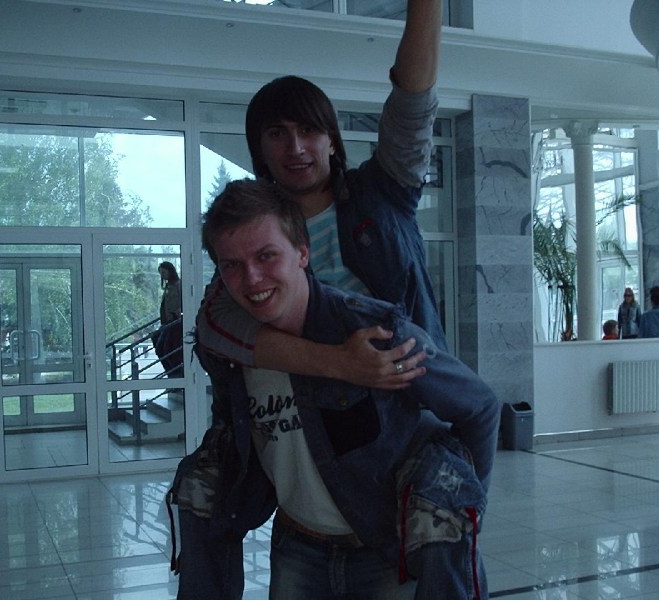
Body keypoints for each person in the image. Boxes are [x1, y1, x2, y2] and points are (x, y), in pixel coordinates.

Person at [173, 179, 498, 600]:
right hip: (297, 547)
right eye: (231, 265)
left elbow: (480, 406)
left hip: (383, 550)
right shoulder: (231, 353)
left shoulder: (376, 333)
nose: (251, 279)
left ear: (302, 252)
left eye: (266, 256)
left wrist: (468, 504)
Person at [196, 0, 445, 388]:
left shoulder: (383, 192)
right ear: (259, 149)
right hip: (313, 413)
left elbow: (412, 104)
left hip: (414, 397)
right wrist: (340, 363)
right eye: (277, 134)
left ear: (332, 140)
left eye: (308, 130)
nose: (295, 148)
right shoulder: (256, 234)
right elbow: (213, 326)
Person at [153, 261, 184, 376]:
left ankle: (176, 374)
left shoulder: (179, 285)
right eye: (161, 273)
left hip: (176, 322)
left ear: (170, 271)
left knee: (165, 349)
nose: (163, 275)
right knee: (157, 341)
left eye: (164, 272)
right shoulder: (168, 286)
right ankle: (172, 373)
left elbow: (186, 301)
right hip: (167, 322)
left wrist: (178, 312)